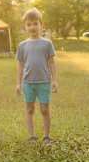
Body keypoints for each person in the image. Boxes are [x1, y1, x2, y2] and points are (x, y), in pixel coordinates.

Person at [15, 8, 58, 143]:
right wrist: (18, 83)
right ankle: (32, 136)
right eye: (29, 24)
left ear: (41, 24)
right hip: (28, 83)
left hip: (44, 82)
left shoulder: (47, 43)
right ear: (25, 26)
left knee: (44, 110)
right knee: (29, 109)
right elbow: (20, 65)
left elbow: (52, 63)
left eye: (35, 23)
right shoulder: (22, 45)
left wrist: (54, 80)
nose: (32, 27)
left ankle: (46, 136)